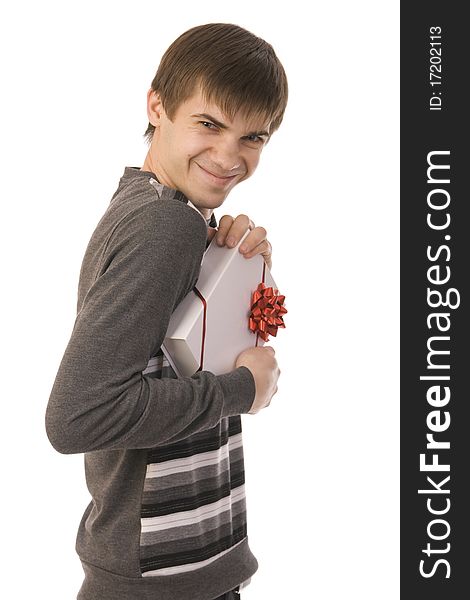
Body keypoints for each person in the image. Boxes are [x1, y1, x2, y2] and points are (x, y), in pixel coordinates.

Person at [45, 22, 288, 600]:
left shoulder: (157, 208)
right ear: (157, 106)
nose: (230, 157)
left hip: (168, 569)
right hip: (160, 579)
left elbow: (170, 358)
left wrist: (231, 269)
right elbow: (78, 416)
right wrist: (241, 390)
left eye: (252, 138)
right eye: (209, 124)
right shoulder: (167, 224)